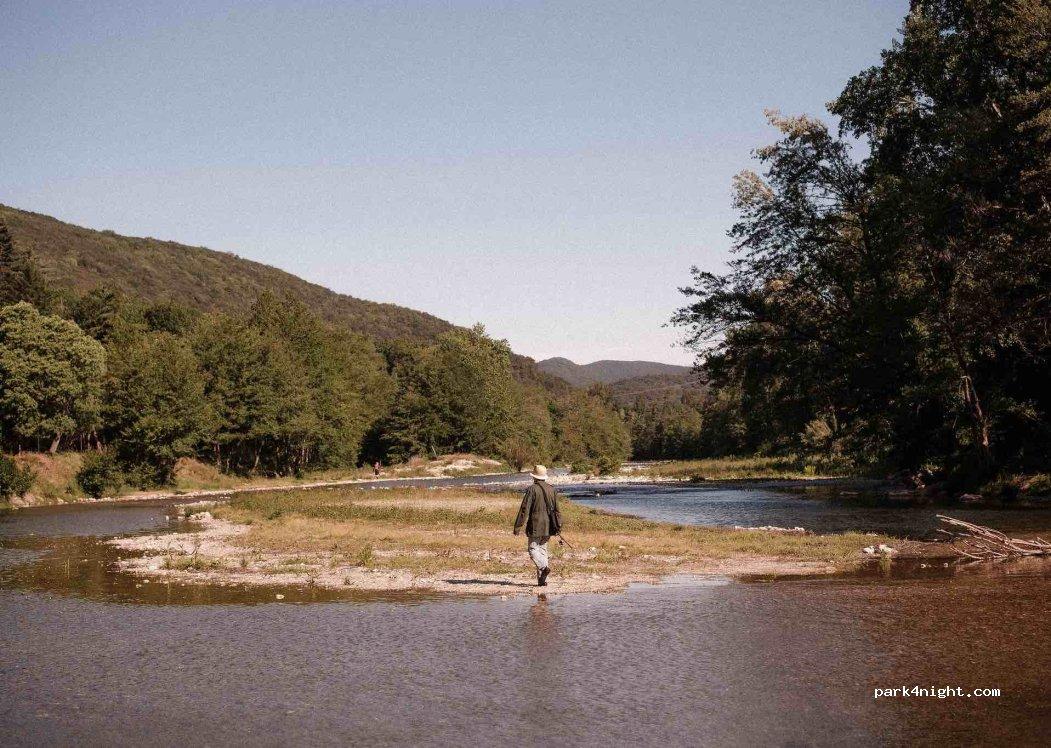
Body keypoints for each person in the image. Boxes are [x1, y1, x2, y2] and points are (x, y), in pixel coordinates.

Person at [513, 464, 562, 587]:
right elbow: (557, 510)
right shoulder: (552, 489)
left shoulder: (532, 489)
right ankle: (542, 581)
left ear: (534, 477)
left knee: (533, 549)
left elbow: (525, 509)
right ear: (544, 476)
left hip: (535, 525)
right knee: (543, 550)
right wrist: (559, 527)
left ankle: (544, 568)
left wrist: (518, 526)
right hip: (549, 526)